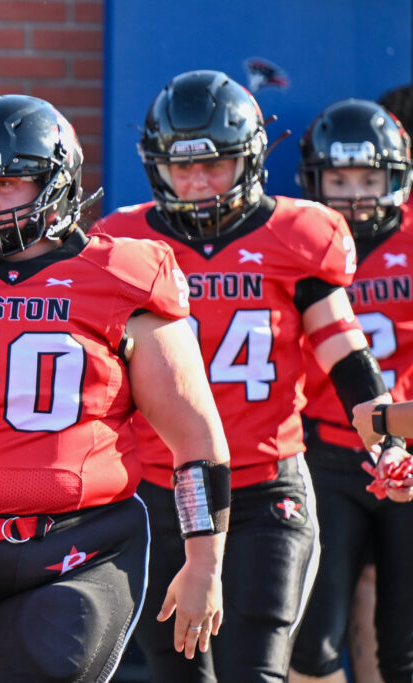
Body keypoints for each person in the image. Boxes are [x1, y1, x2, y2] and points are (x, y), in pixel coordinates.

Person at [0, 93, 230, 682]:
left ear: (55, 186)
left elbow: (196, 441)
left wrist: (204, 562)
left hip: (76, 549)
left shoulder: (124, 277)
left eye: (5, 182)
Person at [94, 70, 410, 682]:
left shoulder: (295, 235)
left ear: (250, 161)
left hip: (267, 487)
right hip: (163, 490)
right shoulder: (123, 244)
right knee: (180, 669)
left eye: (214, 165)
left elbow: (345, 354)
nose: (197, 182)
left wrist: (387, 441)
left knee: (255, 669)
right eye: (181, 167)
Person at [289, 98, 413, 683]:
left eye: (369, 177)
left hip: (410, 447)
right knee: (310, 641)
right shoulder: (294, 240)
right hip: (326, 454)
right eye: (338, 179)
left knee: (405, 650)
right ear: (314, 179)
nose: (355, 193)